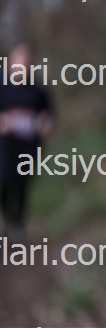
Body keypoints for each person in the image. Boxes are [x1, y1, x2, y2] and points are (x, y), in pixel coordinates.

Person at [0, 43, 53, 236]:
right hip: (5, 147)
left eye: (26, 62)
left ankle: (18, 224)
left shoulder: (37, 90)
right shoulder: (3, 89)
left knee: (22, 186)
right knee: (4, 183)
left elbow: (48, 114)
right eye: (19, 62)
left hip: (29, 148)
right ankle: (7, 217)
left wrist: (44, 123)